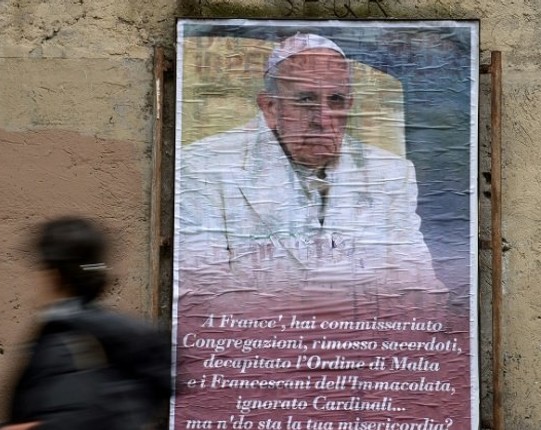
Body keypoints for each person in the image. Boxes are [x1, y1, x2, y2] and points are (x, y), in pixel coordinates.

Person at [177, 33, 444, 293]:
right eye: (306, 100)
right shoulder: (202, 167)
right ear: (270, 108)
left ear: (349, 105)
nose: (323, 119)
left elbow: (420, 288)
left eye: (336, 100)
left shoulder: (391, 174)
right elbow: (202, 295)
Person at [0, 216, 171, 430]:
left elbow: (70, 420)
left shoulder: (67, 343)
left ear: (54, 275)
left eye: (40, 266)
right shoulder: (99, 334)